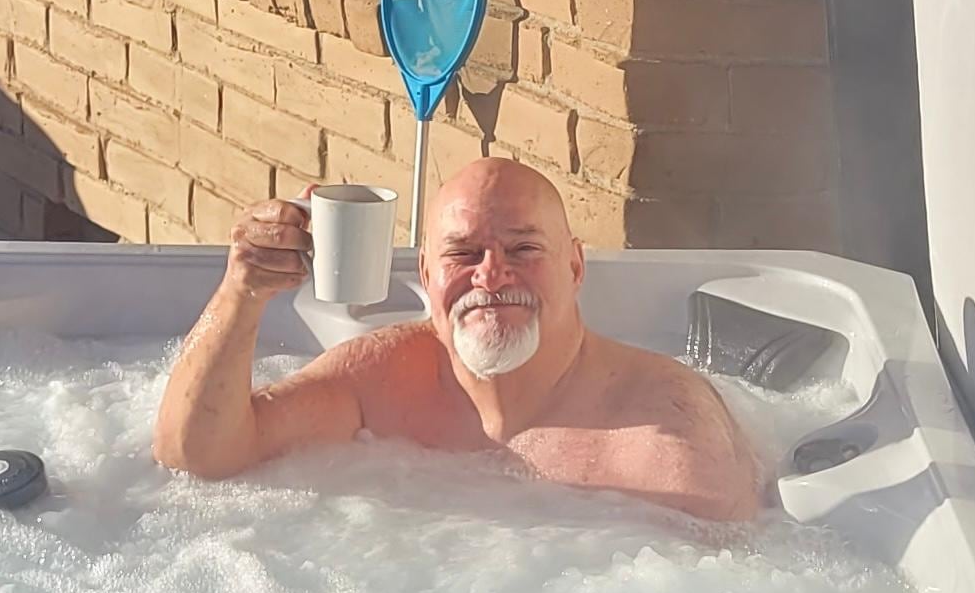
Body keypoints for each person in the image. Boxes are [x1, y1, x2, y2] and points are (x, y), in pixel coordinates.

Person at [153, 160, 760, 522]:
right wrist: (242, 292)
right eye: (463, 254)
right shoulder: (381, 380)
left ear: (575, 268)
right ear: (425, 276)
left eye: (523, 250)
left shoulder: (664, 437)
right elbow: (198, 456)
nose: (491, 277)